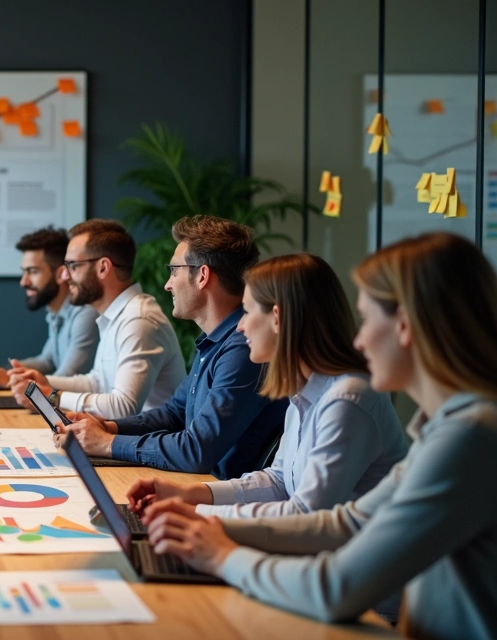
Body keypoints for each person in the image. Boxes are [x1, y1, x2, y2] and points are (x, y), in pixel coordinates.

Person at [143, 233, 497, 638]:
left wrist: (221, 553)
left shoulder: (465, 437)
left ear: (404, 327)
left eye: (367, 321)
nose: (359, 340)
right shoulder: (447, 429)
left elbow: (335, 586)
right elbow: (347, 522)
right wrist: (205, 521)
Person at [125, 254, 407, 517]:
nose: (240, 326)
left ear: (277, 317)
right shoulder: (306, 390)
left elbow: (304, 514)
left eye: (247, 312)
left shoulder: (347, 399)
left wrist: (197, 512)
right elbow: (279, 480)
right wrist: (187, 494)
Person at [57, 216, 287, 479]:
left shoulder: (243, 349)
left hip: (219, 499)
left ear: (202, 276)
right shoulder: (215, 342)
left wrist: (107, 443)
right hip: (199, 487)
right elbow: (175, 413)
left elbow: (195, 451)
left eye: (174, 270)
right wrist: (108, 427)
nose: (167, 284)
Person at [7, 220, 186, 420]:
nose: (64, 276)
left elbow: (123, 407)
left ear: (103, 268)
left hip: (147, 444)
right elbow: (97, 382)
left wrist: (52, 396)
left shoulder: (139, 320)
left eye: (72, 266)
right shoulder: (116, 315)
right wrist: (44, 382)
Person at [0, 225, 100, 385]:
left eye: (33, 272)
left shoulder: (86, 316)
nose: (24, 281)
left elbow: (67, 379)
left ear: (61, 274)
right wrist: (1, 370)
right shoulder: (57, 314)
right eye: (24, 272)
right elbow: (47, 361)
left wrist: (8, 378)